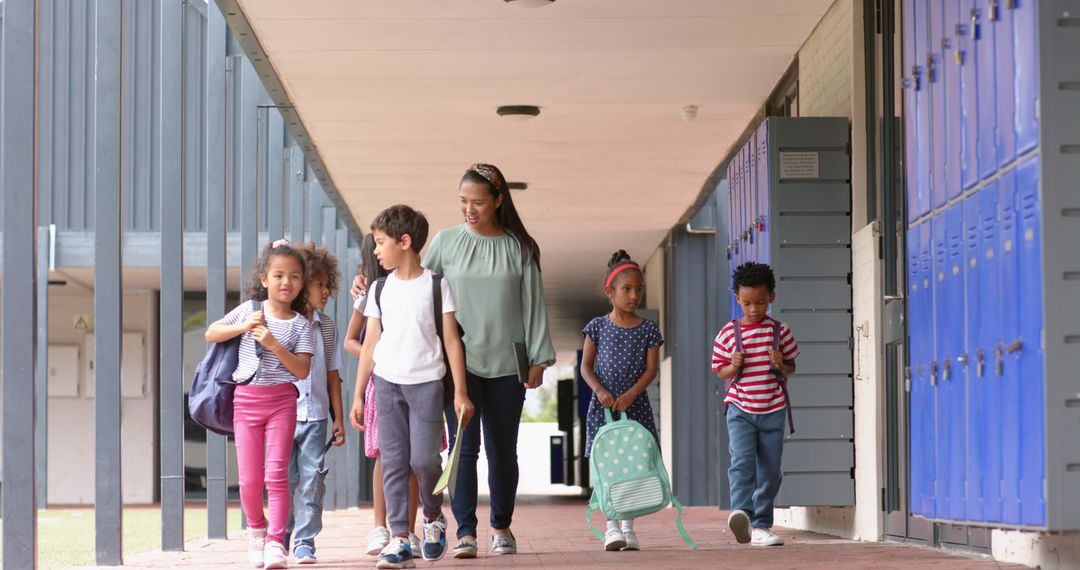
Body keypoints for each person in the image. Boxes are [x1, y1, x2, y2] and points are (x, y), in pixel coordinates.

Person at [422, 163, 556, 558]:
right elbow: (419, 290)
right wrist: (371, 286)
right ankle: (465, 532)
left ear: (498, 201)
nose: (469, 209)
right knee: (463, 449)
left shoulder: (520, 248)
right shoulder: (446, 242)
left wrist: (539, 358)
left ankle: (501, 526)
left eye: (478, 202)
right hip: (458, 366)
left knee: (502, 450)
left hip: (508, 364)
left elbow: (533, 305)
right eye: (463, 201)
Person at [348, 205, 475, 569]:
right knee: (392, 462)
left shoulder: (436, 285)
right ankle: (399, 538)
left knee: (424, 460)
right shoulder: (378, 289)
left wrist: (461, 392)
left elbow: (452, 341)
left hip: (427, 386)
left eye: (380, 242)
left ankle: (432, 516)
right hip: (387, 385)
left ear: (404, 242)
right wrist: (358, 394)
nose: (375, 251)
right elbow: (370, 343)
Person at [205, 239, 315, 569]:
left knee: (277, 475)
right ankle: (257, 531)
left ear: (302, 282)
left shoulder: (302, 324)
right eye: (278, 275)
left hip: (282, 401)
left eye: (294, 276)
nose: (286, 282)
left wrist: (273, 343)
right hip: (246, 400)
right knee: (250, 480)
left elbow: (302, 370)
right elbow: (212, 332)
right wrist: (245, 326)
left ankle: (275, 542)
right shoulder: (251, 310)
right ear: (265, 279)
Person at [343, 234, 423, 556]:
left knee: (414, 459)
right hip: (381, 381)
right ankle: (380, 527)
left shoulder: (416, 286)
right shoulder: (368, 293)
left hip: (416, 380)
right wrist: (378, 357)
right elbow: (351, 341)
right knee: (384, 456)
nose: (379, 251)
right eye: (375, 247)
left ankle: (410, 530)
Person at [711, 262, 800, 547]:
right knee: (742, 461)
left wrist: (781, 363)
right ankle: (742, 513)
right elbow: (720, 372)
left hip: (773, 409)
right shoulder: (728, 333)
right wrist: (733, 366)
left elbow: (791, 369)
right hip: (740, 409)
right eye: (747, 303)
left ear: (771, 297)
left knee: (770, 470)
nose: (753, 309)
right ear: (737, 298)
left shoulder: (781, 332)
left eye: (760, 302)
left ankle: (762, 526)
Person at [579, 250, 662, 552]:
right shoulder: (597, 327)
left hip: (635, 406)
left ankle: (629, 528)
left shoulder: (649, 329)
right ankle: (612, 526)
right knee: (608, 466)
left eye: (639, 289)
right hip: (603, 409)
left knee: (634, 466)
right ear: (610, 292)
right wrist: (600, 390)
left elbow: (651, 369)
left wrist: (632, 394)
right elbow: (586, 367)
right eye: (627, 289)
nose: (634, 295)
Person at [285, 242, 346, 565]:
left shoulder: (327, 326)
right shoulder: (283, 322)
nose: (325, 292)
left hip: (317, 416)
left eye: (327, 285)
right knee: (284, 481)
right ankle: (281, 535)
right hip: (283, 416)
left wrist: (339, 419)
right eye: (318, 284)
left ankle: (304, 542)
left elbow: (333, 375)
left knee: (312, 481)